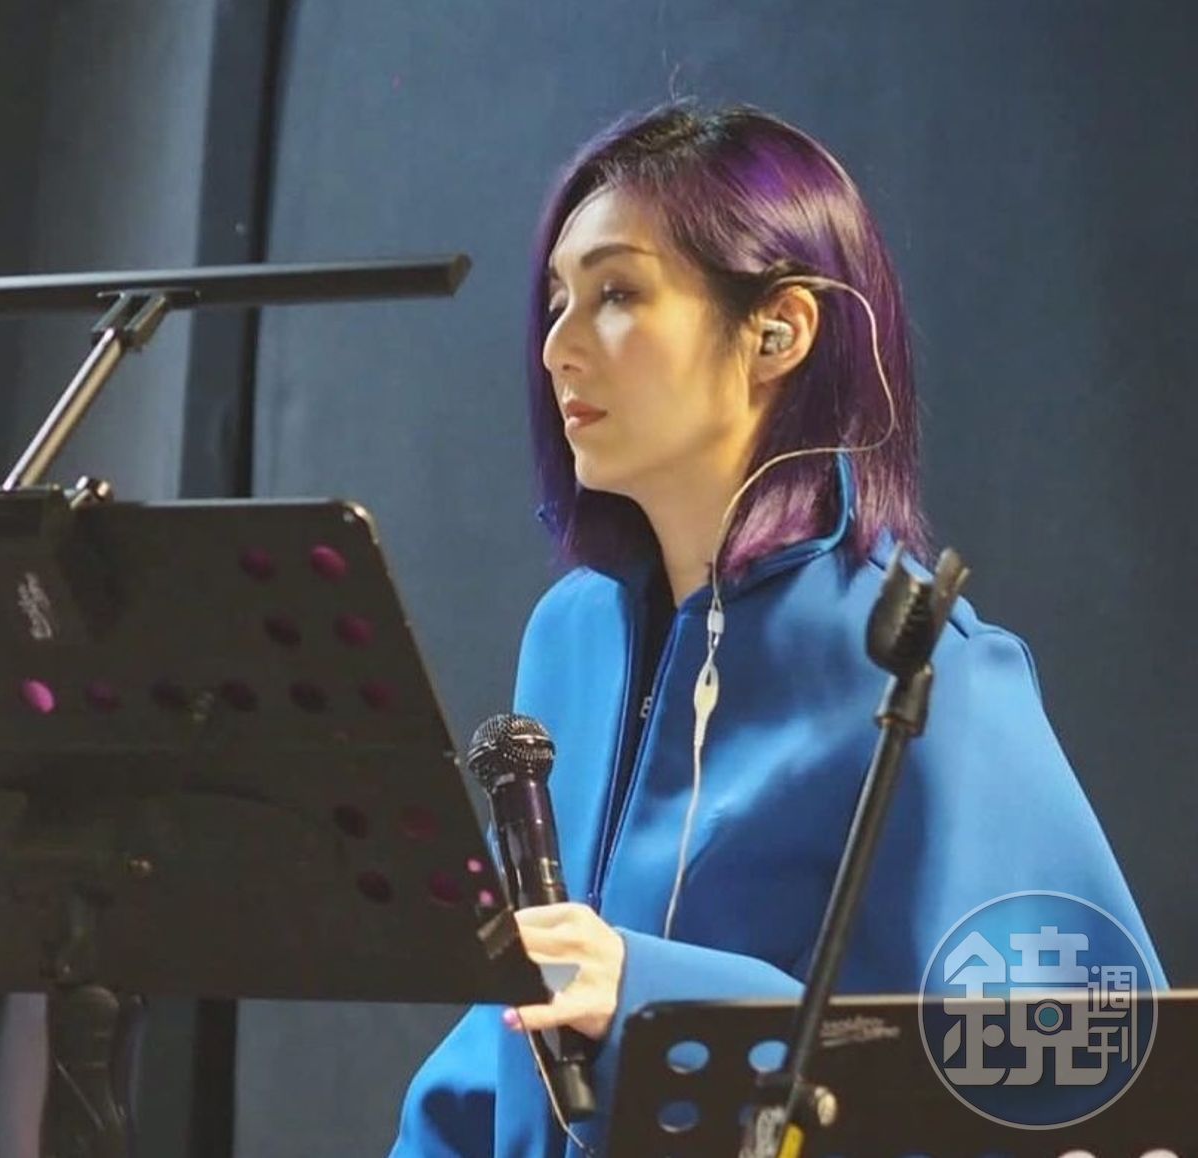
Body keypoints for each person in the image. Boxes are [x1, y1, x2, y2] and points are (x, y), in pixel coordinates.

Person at [389, 103, 1165, 1157]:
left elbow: (1077, 1072)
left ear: (779, 330)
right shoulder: (568, 638)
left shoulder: (926, 673)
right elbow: (514, 1020)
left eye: (615, 294)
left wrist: (648, 994)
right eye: (556, 301)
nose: (557, 347)